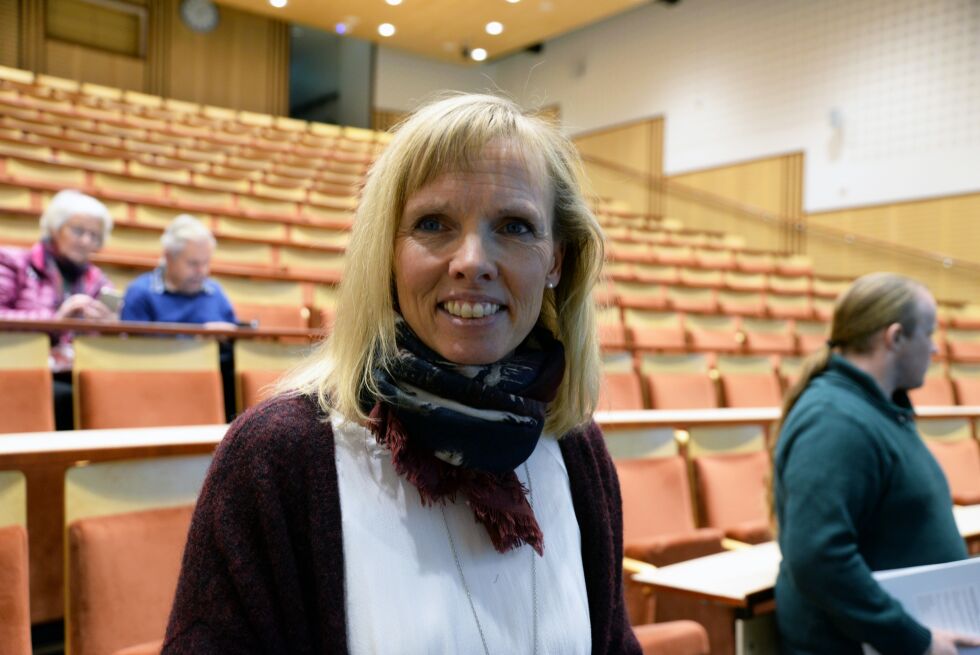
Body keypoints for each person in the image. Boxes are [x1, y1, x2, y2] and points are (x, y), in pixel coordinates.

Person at [163, 94, 639, 654]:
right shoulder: (279, 456)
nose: (472, 260)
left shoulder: (577, 451)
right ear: (386, 253)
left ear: (556, 259)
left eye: (514, 226)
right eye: (433, 223)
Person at [772, 272, 980, 655]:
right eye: (928, 333)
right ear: (895, 337)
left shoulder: (876, 410)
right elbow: (818, 558)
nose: (935, 349)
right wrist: (913, 638)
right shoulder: (835, 420)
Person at [0, 189, 116, 428]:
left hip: (78, 368)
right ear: (55, 228)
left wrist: (107, 327)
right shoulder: (14, 262)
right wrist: (56, 320)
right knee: (65, 397)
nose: (86, 241)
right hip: (23, 366)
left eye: (94, 236)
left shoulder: (98, 280)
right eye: (78, 231)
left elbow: (115, 332)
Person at [120, 214, 236, 328]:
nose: (201, 271)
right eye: (193, 263)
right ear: (169, 257)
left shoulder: (215, 292)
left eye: (206, 263)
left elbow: (236, 338)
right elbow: (133, 346)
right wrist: (200, 339)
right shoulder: (141, 293)